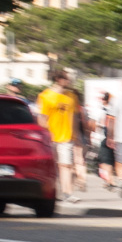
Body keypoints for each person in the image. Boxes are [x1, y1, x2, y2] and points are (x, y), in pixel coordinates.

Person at [37, 71, 79, 203]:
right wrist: (45, 134)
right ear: (58, 79)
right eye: (67, 79)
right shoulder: (45, 96)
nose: (69, 81)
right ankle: (52, 193)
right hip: (50, 137)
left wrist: (76, 136)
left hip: (67, 137)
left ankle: (67, 193)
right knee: (52, 167)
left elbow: (76, 118)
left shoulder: (72, 96)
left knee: (66, 165)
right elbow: (42, 118)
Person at [94, 91, 116, 188]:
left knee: (104, 160)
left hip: (103, 137)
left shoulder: (101, 111)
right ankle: (109, 179)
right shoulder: (113, 110)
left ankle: (109, 180)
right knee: (110, 160)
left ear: (103, 100)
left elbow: (96, 125)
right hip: (114, 138)